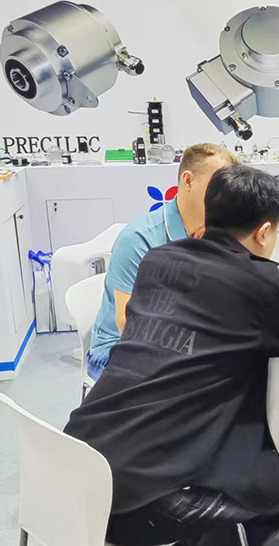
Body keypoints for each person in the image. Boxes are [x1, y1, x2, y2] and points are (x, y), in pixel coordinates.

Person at [64, 165, 279, 546]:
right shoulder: (258, 284)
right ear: (265, 231)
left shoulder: (158, 259)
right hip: (127, 501)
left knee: (234, 455)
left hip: (76, 461)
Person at [88, 143, 238, 381]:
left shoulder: (219, 233)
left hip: (182, 344)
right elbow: (127, 324)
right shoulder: (138, 239)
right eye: (219, 184)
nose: (227, 195)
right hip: (118, 349)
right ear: (188, 181)